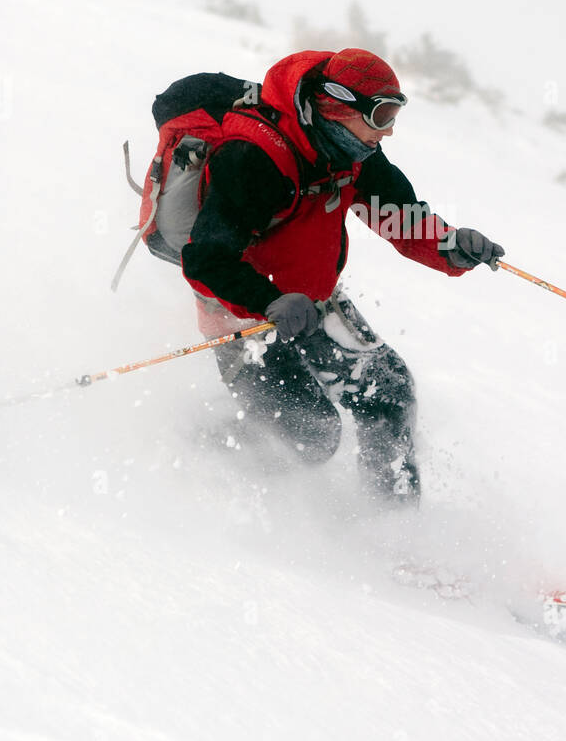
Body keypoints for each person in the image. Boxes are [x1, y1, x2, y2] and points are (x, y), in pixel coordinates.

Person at [181, 48, 504, 503]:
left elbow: (400, 217)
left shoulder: (354, 152)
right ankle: (205, 468)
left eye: (395, 114)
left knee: (389, 394)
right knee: (310, 434)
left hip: (314, 301)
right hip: (246, 316)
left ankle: (396, 535)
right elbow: (205, 260)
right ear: (337, 105)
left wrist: (451, 247)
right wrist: (266, 301)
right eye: (381, 115)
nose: (388, 129)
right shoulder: (252, 158)